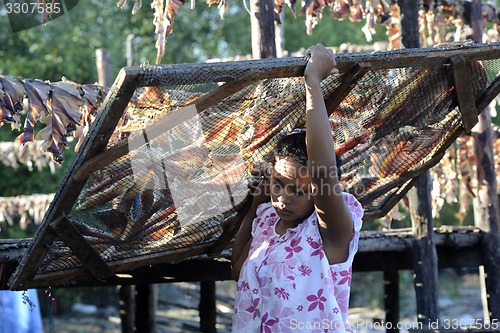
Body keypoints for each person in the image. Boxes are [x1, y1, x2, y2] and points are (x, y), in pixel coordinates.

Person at [231, 44, 363, 332]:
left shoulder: (329, 232)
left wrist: (313, 81)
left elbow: (322, 172)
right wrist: (257, 202)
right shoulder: (265, 219)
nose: (283, 198)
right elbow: (238, 270)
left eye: (300, 191)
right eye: (279, 185)